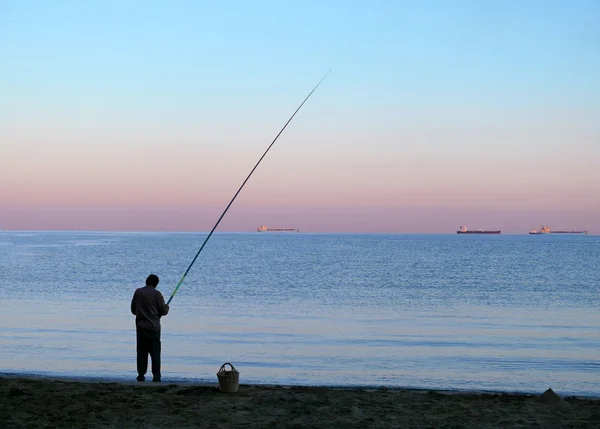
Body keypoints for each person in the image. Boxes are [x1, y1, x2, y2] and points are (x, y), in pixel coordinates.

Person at [130, 274, 169, 382]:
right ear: (156, 284)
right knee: (155, 353)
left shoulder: (138, 292)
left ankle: (141, 375)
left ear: (146, 281)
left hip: (141, 327)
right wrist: (166, 307)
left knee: (141, 352)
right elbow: (163, 311)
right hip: (154, 328)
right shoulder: (157, 294)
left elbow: (133, 310)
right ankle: (156, 376)